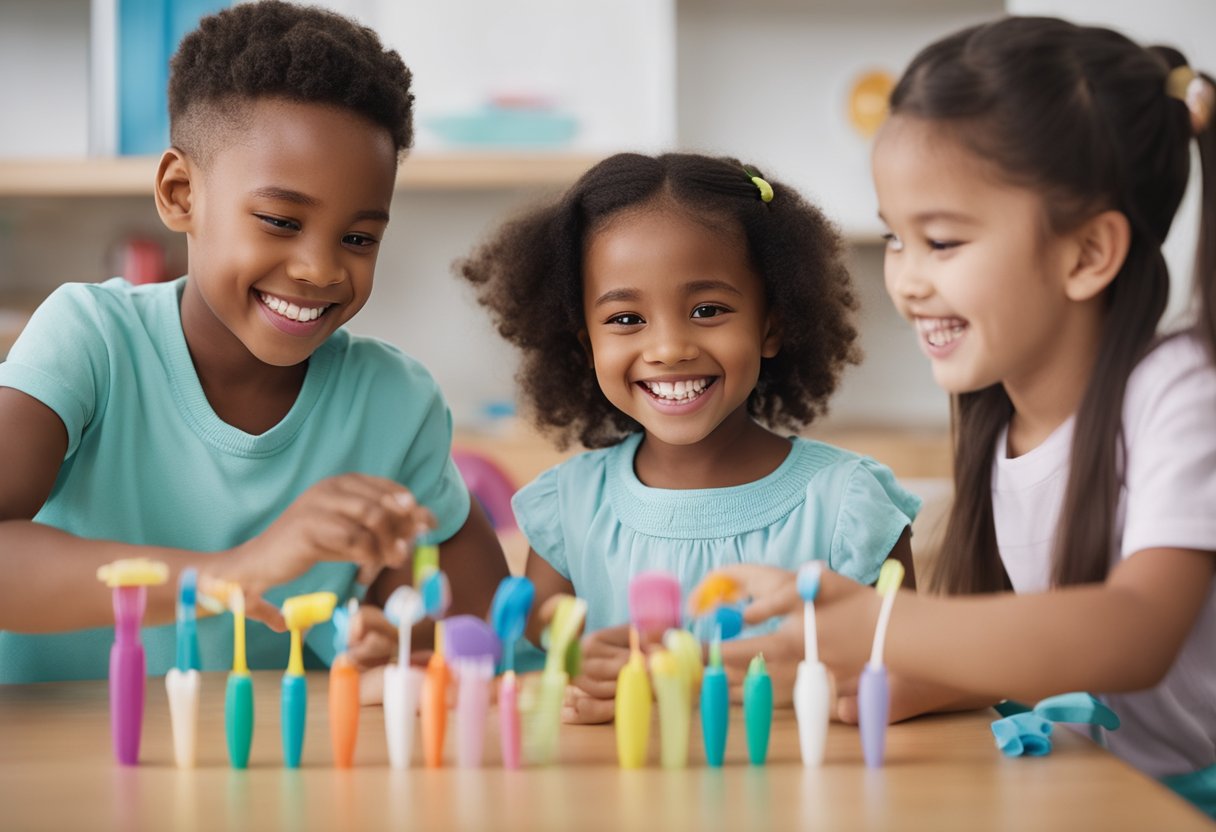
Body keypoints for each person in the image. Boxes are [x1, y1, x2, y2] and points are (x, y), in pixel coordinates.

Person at [709, 16, 1216, 817]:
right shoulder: (996, 413)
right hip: (1101, 788)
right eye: (894, 238)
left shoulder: (1183, 390)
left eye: (940, 241)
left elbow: (1135, 631)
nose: (904, 280)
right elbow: (1044, 649)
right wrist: (852, 662)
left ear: (1086, 254)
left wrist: (888, 626)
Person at [0, 0, 508, 683]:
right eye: (278, 220)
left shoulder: (394, 401)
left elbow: (477, 634)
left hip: (269, 764)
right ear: (181, 194)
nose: (321, 268)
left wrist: (404, 641)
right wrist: (231, 573)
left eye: (359, 238)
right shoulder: (90, 338)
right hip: (63, 763)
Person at [456, 151, 921, 722]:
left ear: (771, 325)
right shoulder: (568, 510)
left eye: (707, 309)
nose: (669, 347)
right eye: (626, 319)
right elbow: (537, 670)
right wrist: (577, 665)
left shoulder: (849, 506)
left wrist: (814, 677)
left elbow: (914, 675)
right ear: (586, 346)